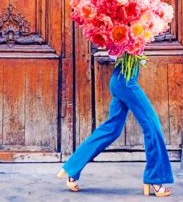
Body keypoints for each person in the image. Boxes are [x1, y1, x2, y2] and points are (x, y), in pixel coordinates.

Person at [57, 61, 174, 197]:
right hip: (126, 82)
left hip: (119, 80)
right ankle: (155, 179)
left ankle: (72, 167)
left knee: (111, 129)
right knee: (152, 125)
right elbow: (119, 50)